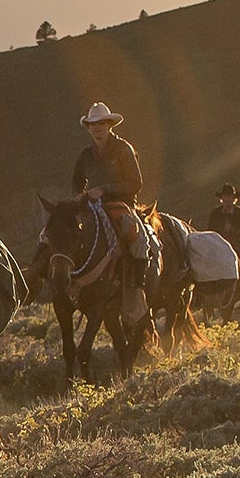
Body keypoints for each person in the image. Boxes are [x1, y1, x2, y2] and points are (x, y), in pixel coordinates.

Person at [70, 102, 149, 319]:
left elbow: (136, 183)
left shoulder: (124, 149)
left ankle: (137, 285)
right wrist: (79, 194)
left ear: (109, 126)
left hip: (121, 204)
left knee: (138, 237)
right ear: (88, 128)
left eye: (101, 124)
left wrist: (105, 189)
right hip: (93, 206)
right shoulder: (86, 155)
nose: (97, 128)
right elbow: (77, 181)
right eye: (92, 124)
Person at [208, 183, 240, 300]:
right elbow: (210, 232)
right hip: (220, 248)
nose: (227, 200)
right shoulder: (215, 214)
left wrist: (234, 230)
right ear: (221, 199)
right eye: (225, 197)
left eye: (230, 197)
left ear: (234, 199)